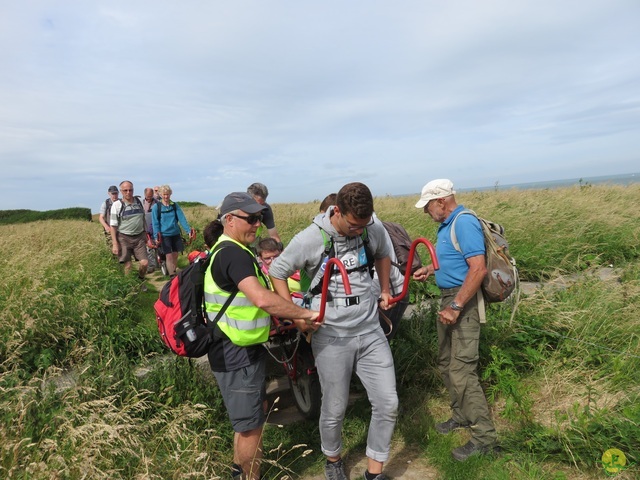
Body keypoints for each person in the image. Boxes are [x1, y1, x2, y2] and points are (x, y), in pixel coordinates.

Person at [269, 182, 398, 480]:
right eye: (353, 225)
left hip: (369, 331)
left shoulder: (370, 227)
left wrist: (385, 289)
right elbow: (278, 272)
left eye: (363, 225)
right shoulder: (311, 238)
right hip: (332, 337)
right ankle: (333, 459)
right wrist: (299, 317)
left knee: (388, 403)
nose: (358, 231)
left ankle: (374, 472)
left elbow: (382, 253)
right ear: (337, 211)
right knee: (335, 405)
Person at [204, 191, 320, 480]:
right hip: (236, 354)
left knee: (247, 422)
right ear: (229, 220)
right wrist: (304, 314)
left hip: (240, 348)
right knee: (250, 428)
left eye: (260, 217)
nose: (258, 224)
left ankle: (239, 474)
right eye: (251, 219)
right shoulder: (232, 254)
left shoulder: (229, 249)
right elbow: (262, 299)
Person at [412, 178, 499, 461]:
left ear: (441, 201)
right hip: (449, 298)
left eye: (428, 207)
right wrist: (430, 268)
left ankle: (485, 439)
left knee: (462, 370)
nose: (427, 212)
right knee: (447, 362)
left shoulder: (463, 222)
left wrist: (456, 306)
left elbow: (478, 269)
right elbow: (456, 263)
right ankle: (460, 416)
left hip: (462, 302)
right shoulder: (446, 226)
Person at [109, 181, 149, 284]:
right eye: (125, 190)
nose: (128, 192)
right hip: (123, 237)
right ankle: (129, 287)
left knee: (144, 263)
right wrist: (115, 244)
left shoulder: (139, 202)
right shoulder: (117, 205)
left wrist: (146, 234)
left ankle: (140, 279)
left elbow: (143, 219)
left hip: (139, 237)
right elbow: (113, 226)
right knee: (128, 266)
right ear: (121, 191)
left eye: (130, 190)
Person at [151, 185, 192, 277]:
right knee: (168, 256)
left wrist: (188, 230)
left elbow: (182, 218)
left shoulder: (174, 205)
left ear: (170, 194)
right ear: (160, 194)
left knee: (175, 255)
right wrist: (156, 236)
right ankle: (172, 276)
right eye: (164, 194)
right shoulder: (156, 207)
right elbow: (155, 223)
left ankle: (173, 270)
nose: (166, 197)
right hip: (164, 235)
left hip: (175, 233)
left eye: (168, 194)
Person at [142, 187, 159, 273]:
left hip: (155, 227)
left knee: (157, 245)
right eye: (148, 196)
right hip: (145, 228)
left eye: (151, 196)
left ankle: (158, 263)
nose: (149, 198)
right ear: (145, 195)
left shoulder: (157, 202)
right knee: (148, 248)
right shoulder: (141, 203)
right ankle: (151, 266)